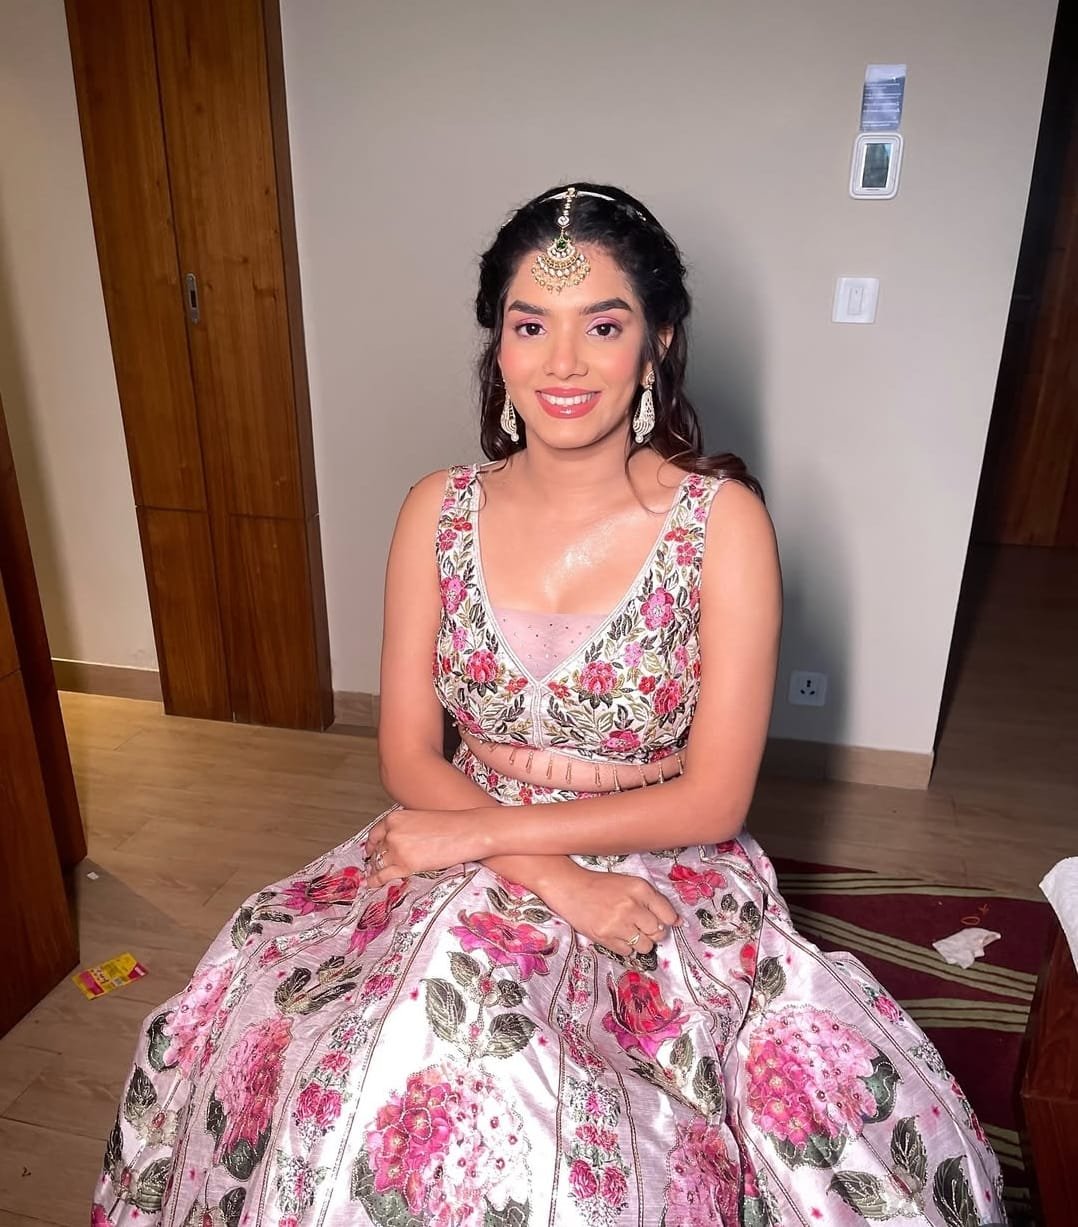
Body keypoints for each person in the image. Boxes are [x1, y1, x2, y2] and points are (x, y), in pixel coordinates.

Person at [93, 184, 1004, 1227]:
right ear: (500, 346)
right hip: (460, 818)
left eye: (602, 327)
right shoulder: (436, 511)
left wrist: (489, 841)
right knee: (337, 1033)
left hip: (652, 851)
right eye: (531, 327)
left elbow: (713, 799)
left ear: (658, 344)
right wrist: (552, 877)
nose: (562, 364)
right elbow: (407, 754)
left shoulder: (722, 524)